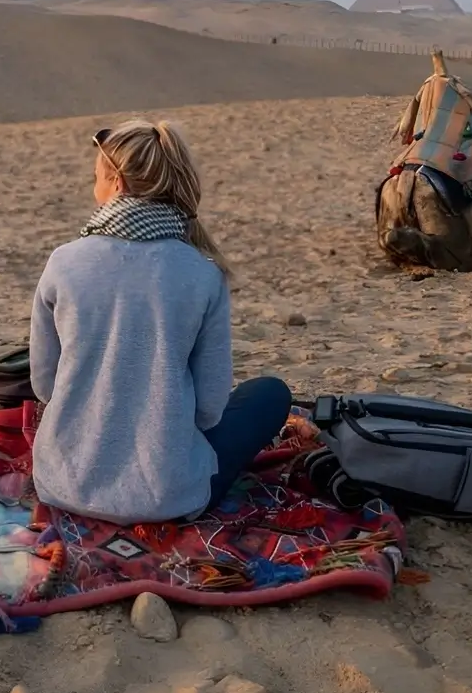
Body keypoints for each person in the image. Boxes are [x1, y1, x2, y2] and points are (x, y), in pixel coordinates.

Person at [28, 118, 294, 525]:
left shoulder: (64, 261)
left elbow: (44, 386)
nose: (93, 188)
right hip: (167, 497)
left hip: (64, 485)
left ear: (116, 182)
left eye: (95, 177)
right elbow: (208, 410)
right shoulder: (202, 274)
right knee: (270, 394)